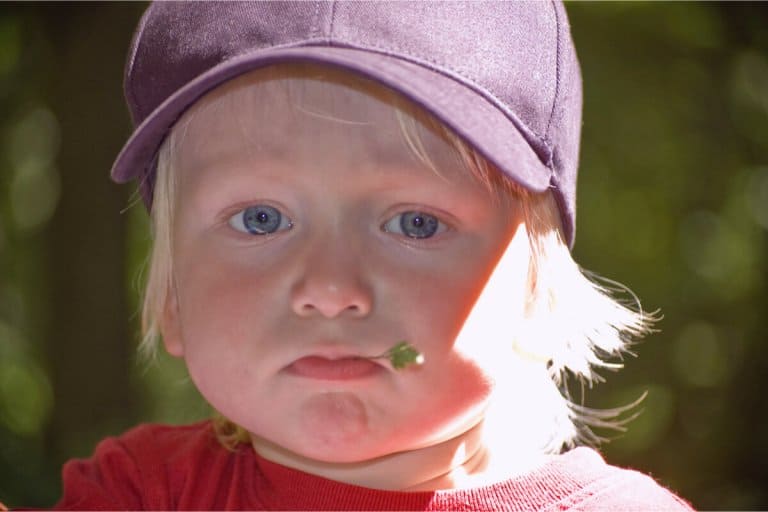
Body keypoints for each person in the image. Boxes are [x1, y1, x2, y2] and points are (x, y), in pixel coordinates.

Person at [50, 2, 694, 510]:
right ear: (171, 299)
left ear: (538, 292)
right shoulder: (139, 493)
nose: (331, 288)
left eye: (415, 224)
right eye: (261, 219)